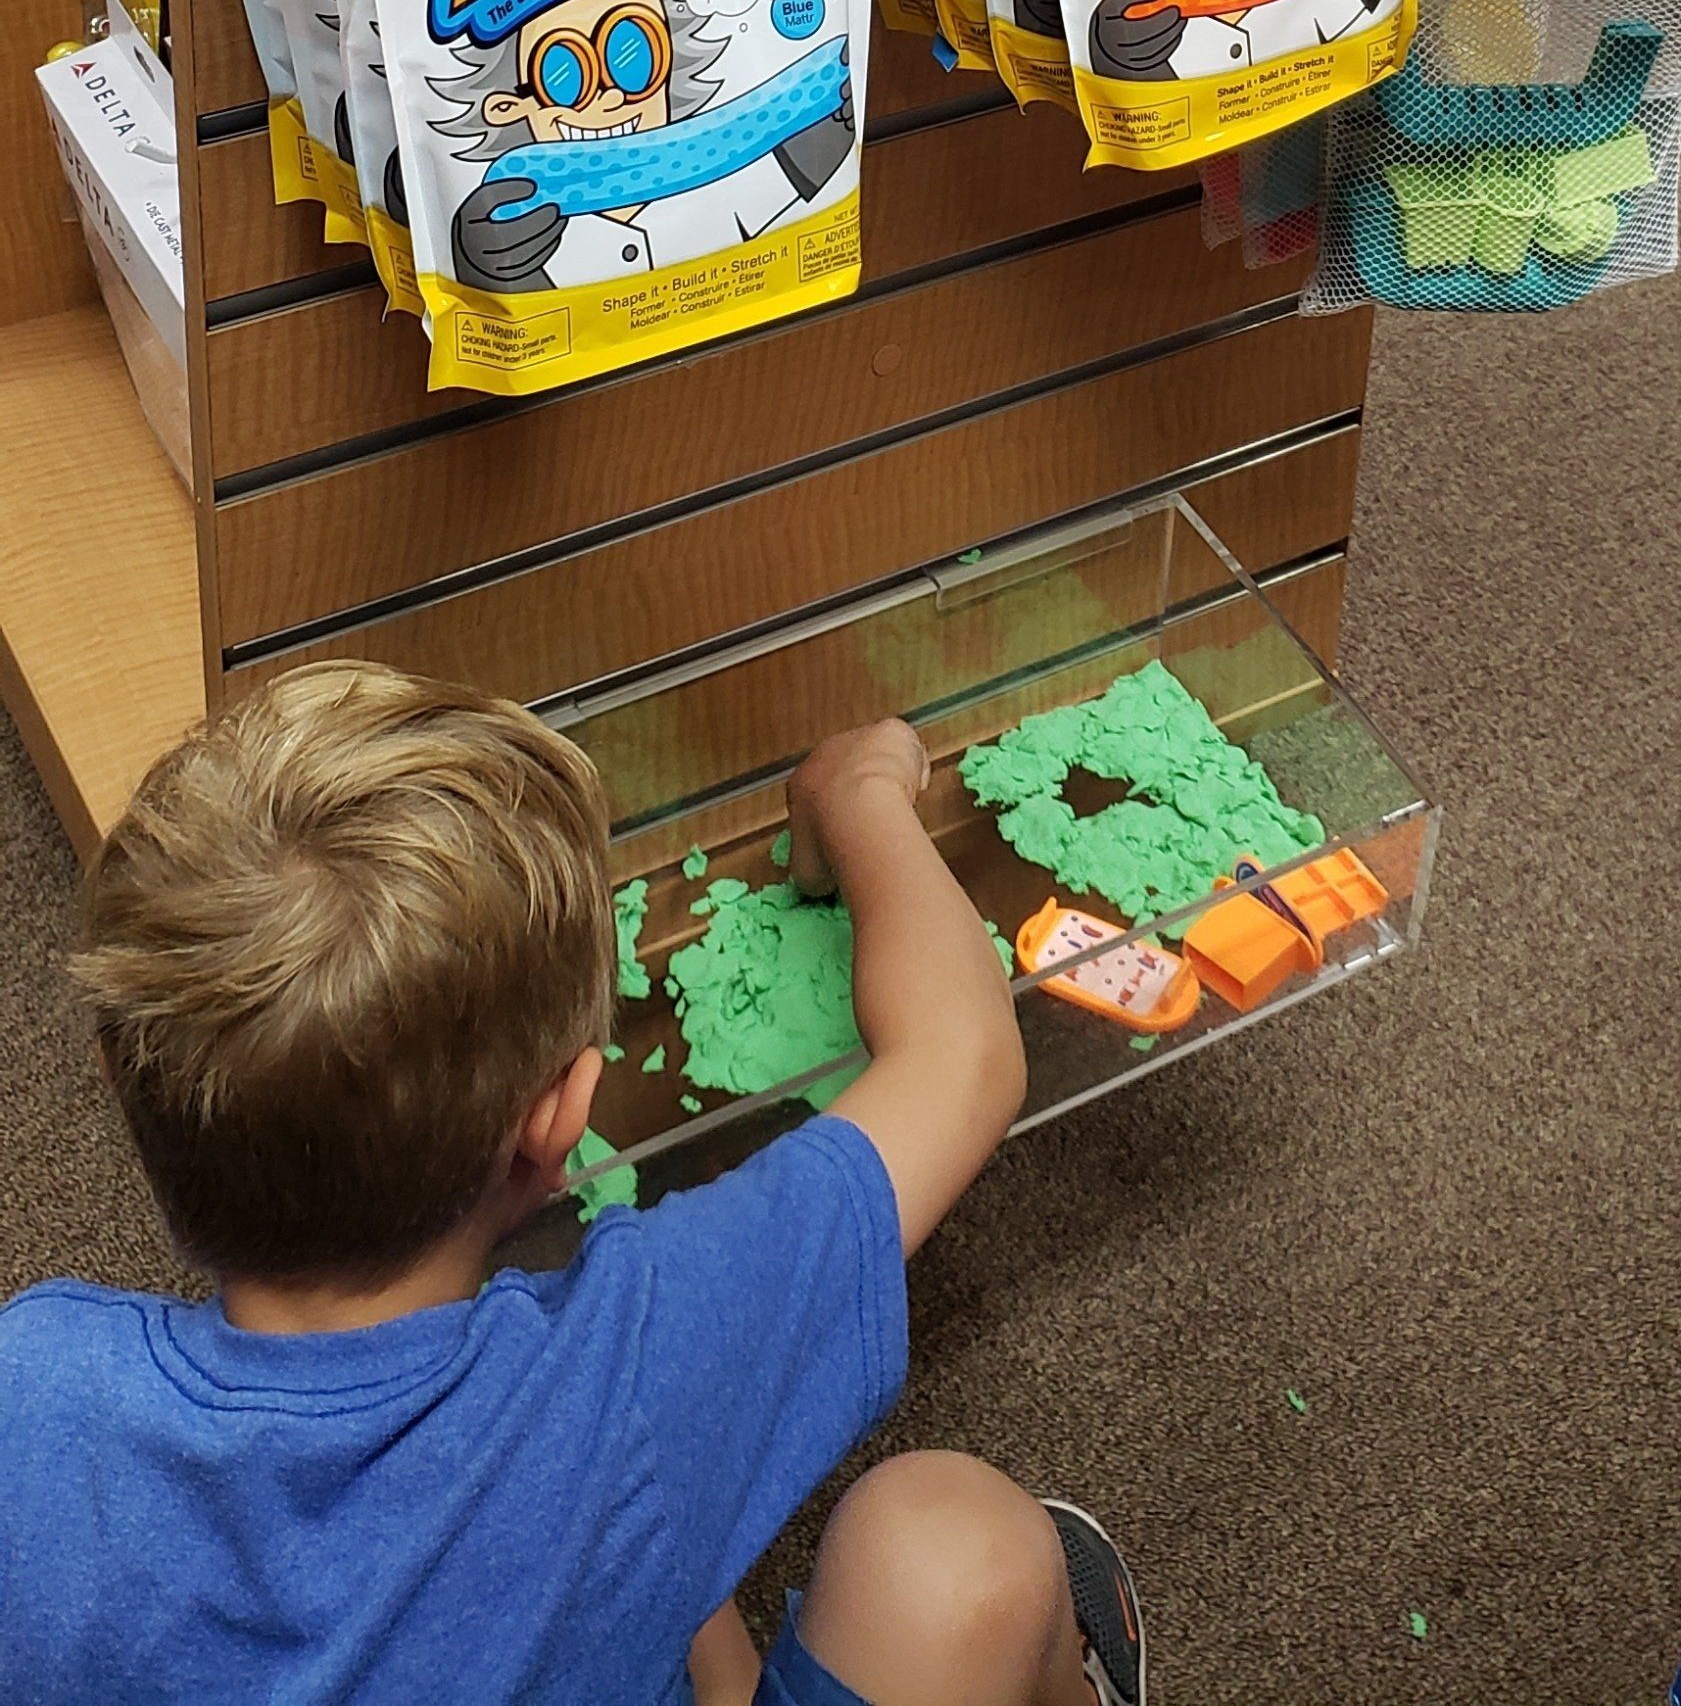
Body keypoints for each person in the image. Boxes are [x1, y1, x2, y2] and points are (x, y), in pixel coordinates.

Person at [0, 663, 1144, 1706]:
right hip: (618, 1477)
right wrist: (864, 790)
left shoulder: (31, 1385)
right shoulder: (635, 1372)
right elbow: (965, 1059)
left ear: (116, 1077)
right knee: (954, 1544)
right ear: (558, 1119)